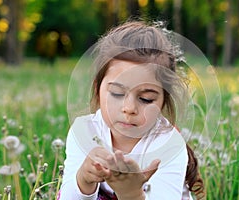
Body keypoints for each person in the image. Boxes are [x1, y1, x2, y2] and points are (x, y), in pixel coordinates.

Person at [60, 20, 204, 200]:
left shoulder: (169, 145)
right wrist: (84, 181)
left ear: (163, 100)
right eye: (117, 93)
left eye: (146, 99)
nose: (129, 108)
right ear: (98, 89)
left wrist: (132, 194)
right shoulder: (85, 131)